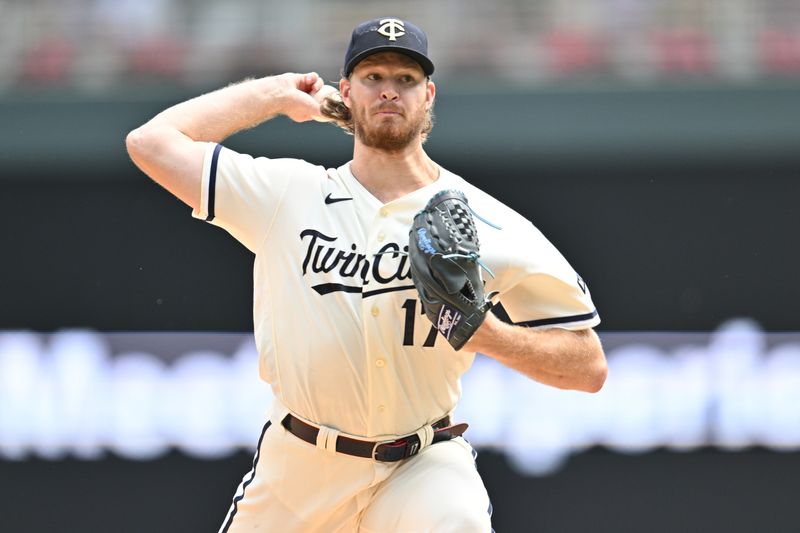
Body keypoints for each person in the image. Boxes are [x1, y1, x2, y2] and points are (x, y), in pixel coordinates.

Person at [126, 17, 607, 533]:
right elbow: (150, 143)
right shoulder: (288, 194)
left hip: (421, 463)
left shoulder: (485, 220)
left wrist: (489, 335)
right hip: (300, 467)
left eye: (406, 79)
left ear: (429, 96)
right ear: (346, 91)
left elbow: (588, 367)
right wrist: (272, 95)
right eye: (374, 76)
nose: (389, 91)